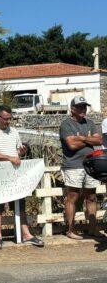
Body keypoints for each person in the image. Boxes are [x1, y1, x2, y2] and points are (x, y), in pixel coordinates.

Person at [0, 105, 44, 250]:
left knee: (20, 204)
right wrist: (9, 157)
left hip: (14, 175)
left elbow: (17, 153)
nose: (9, 122)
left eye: (10, 119)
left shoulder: (14, 132)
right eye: (6, 119)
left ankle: (26, 234)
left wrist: (22, 151)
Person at [59, 97, 103, 239]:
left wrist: (80, 138)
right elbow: (71, 145)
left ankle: (92, 228)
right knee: (73, 196)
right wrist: (87, 139)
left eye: (85, 107)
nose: (83, 109)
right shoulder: (66, 125)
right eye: (80, 107)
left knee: (91, 196)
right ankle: (71, 230)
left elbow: (99, 140)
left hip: (90, 165)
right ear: (72, 109)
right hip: (73, 165)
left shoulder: (90, 123)